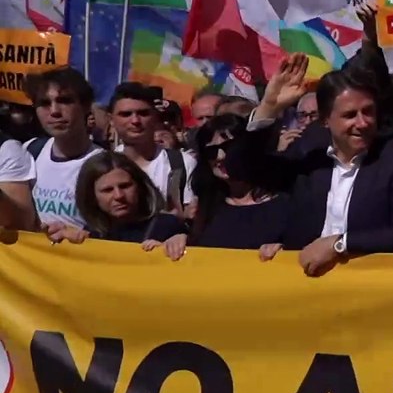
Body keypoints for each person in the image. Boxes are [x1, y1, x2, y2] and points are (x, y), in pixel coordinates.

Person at [231, 54, 393, 276]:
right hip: (306, 291)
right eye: (349, 115)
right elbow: (241, 169)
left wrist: (339, 244)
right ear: (326, 119)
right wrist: (268, 108)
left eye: (368, 112)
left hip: (369, 290)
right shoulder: (308, 156)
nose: (362, 123)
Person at [154, 114, 291, 260]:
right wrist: (180, 240)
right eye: (211, 151)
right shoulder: (204, 208)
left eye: (229, 147)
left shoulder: (286, 204)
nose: (220, 156)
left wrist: (284, 251)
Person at [46, 152, 185, 249]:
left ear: (140, 186)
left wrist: (173, 246)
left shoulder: (168, 226)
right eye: (107, 190)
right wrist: (66, 245)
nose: (119, 196)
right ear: (92, 196)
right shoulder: (92, 234)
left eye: (125, 186)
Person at [24, 68, 101, 228]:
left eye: (65, 101)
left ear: (86, 105)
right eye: (44, 103)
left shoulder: (105, 164)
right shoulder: (29, 152)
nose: (54, 112)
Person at [109, 82, 196, 214]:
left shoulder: (182, 163)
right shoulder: (102, 165)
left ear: (155, 116)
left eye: (143, 113)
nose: (135, 121)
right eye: (126, 114)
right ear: (111, 120)